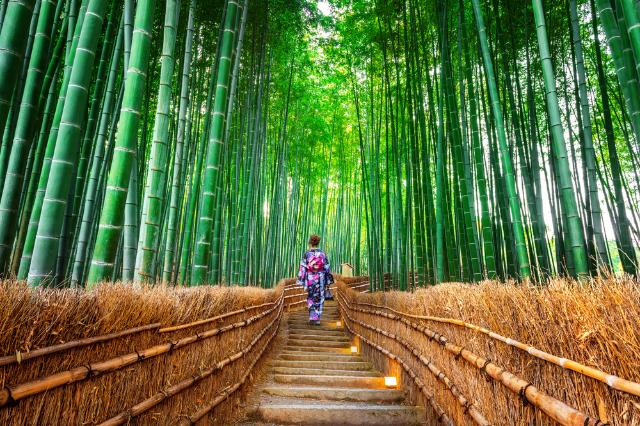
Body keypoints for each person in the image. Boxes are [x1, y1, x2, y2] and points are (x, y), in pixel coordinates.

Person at [296, 234, 332, 325]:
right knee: (320, 298)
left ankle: (312, 317)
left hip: (310, 279)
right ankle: (317, 319)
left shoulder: (307, 254)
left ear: (310, 243)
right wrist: (328, 281)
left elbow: (303, 268)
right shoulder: (323, 254)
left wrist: (301, 280)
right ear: (318, 242)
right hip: (321, 279)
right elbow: (327, 268)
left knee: (311, 296)